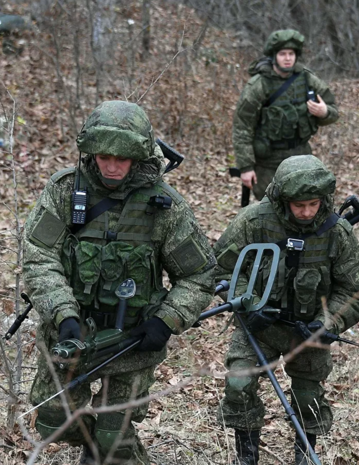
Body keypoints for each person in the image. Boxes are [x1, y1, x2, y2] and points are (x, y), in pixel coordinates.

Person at [22, 101, 216, 464]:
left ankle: (110, 453)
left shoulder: (165, 206)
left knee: (114, 438)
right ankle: (95, 451)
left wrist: (166, 320)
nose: (111, 167)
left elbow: (199, 274)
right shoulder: (65, 191)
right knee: (54, 424)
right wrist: (63, 314)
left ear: (138, 157)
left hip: (132, 341)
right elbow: (38, 256)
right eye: (103, 157)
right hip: (70, 337)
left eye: (121, 159)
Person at [213, 155, 359, 464]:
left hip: (308, 329)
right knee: (238, 384)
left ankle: (304, 456)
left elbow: (357, 288)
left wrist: (327, 323)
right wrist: (249, 302)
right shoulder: (253, 221)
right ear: (283, 199)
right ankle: (246, 457)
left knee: (308, 397)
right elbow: (221, 268)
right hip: (259, 327)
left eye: (313, 204)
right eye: (299, 205)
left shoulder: (336, 231)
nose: (307, 212)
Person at [232, 29, 340, 203]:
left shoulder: (307, 79)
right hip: (268, 163)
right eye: (282, 54)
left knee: (305, 206)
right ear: (274, 56)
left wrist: (324, 112)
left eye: (291, 54)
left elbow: (333, 111)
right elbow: (242, 127)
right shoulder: (259, 85)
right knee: (273, 208)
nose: (288, 58)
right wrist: (246, 167)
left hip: (301, 157)